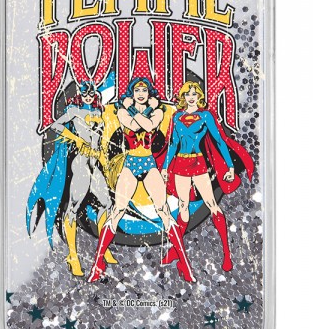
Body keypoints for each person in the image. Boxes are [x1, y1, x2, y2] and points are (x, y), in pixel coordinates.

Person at [87, 77, 195, 283]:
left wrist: (142, 109)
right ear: (132, 92)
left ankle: (185, 264)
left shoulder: (156, 112)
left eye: (144, 90)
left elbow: (148, 125)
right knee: (117, 211)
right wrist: (140, 110)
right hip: (130, 164)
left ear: (149, 93)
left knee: (163, 211)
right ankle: (98, 263)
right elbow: (134, 127)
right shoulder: (122, 112)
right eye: (137, 90)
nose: (141, 93)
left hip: (148, 163)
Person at [160, 81, 254, 272]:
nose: (191, 97)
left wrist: (230, 166)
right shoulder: (177, 117)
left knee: (212, 204)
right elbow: (173, 144)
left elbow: (219, 140)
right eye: (187, 94)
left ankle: (227, 254)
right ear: (183, 97)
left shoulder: (205, 115)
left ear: (199, 96)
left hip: (198, 164)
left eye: (194, 94)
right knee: (183, 206)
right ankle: (177, 251)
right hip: (180, 165)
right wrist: (164, 167)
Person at [26, 81, 116, 277]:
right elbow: (56, 125)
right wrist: (76, 139)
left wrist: (103, 156)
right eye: (85, 94)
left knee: (107, 204)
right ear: (80, 95)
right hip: (81, 162)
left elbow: (100, 137)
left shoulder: (98, 112)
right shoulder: (74, 110)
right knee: (73, 208)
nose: (88, 97)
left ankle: (103, 247)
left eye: (91, 94)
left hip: (95, 162)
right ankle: (73, 256)